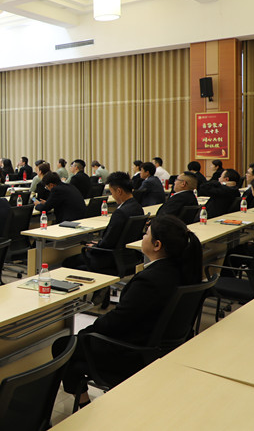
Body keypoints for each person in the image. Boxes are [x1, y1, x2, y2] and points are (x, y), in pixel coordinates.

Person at [53, 215, 203, 405]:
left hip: (131, 352)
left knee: (63, 345)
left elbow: (118, 321)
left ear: (157, 245)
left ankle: (82, 404)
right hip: (153, 346)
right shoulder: (181, 271)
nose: (143, 236)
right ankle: (83, 400)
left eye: (146, 234)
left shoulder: (151, 280)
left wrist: (87, 332)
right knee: (77, 349)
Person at [63, 172, 144, 273]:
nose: (112, 196)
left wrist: (95, 246)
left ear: (119, 191)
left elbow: (108, 242)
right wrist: (99, 244)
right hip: (129, 258)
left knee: (68, 262)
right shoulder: (138, 208)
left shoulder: (120, 213)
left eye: (112, 192)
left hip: (108, 259)